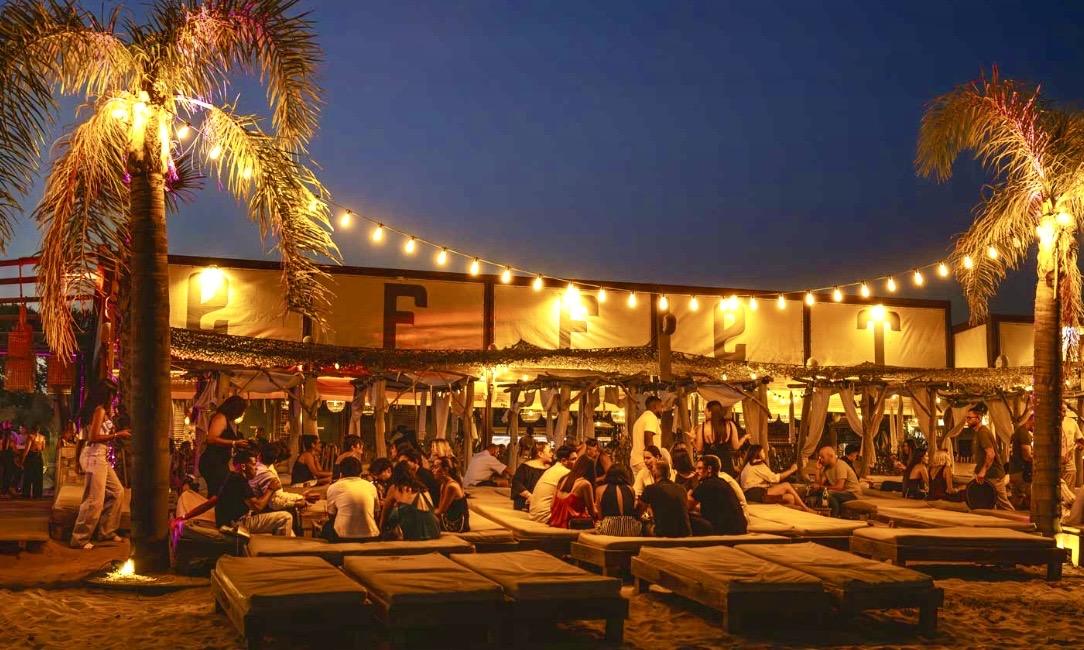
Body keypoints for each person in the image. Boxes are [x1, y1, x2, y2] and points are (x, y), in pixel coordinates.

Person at [174, 448, 295, 537]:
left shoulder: (230, 477)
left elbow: (211, 502)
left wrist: (184, 516)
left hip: (227, 523)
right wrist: (271, 489)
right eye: (253, 465)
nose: (256, 468)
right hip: (237, 524)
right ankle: (280, 551)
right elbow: (258, 506)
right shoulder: (240, 480)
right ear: (244, 466)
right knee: (285, 517)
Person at [71, 382, 130, 549]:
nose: (114, 398)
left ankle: (106, 531)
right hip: (94, 456)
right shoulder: (99, 411)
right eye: (112, 394)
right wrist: (117, 434)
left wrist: (77, 460)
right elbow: (93, 437)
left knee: (117, 492)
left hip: (99, 456)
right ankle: (79, 538)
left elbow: (82, 438)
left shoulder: (99, 411)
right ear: (106, 395)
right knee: (94, 500)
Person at [199, 395, 249, 497]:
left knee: (220, 492)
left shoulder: (228, 421)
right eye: (241, 411)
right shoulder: (220, 418)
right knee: (217, 493)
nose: (241, 414)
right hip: (213, 462)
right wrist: (234, 443)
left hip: (220, 462)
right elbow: (211, 439)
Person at [739, 445, 812, 511]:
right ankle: (806, 508)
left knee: (790, 498)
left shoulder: (750, 464)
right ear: (758, 453)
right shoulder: (757, 464)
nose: (765, 453)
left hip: (751, 494)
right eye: (763, 452)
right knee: (786, 485)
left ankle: (799, 509)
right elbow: (775, 478)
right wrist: (792, 470)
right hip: (756, 493)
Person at [322, 456, 379, 541]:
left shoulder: (333, 487)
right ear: (360, 473)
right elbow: (376, 512)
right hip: (371, 535)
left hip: (343, 537)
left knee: (327, 527)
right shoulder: (371, 487)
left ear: (341, 473)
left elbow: (331, 515)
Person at [967, 407, 1013, 510]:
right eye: (967, 418)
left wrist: (983, 471)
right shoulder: (978, 433)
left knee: (1003, 504)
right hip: (987, 475)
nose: (967, 420)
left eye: (970, 418)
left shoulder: (983, 432)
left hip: (994, 475)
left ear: (978, 418)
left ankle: (1015, 519)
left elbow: (991, 454)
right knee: (988, 503)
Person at [381, 461, 440, 541]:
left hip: (413, 533)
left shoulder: (395, 488)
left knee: (395, 512)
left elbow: (385, 512)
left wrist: (381, 530)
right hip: (433, 531)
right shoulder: (424, 488)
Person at [691, 455, 748, 534]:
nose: (696, 471)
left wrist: (692, 483)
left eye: (700, 468)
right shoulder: (722, 482)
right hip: (739, 528)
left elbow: (687, 505)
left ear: (709, 469)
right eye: (696, 468)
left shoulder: (707, 484)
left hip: (726, 532)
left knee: (689, 518)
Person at [693, 401, 749, 476]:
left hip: (709, 462)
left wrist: (692, 440)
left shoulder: (702, 427)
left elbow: (699, 449)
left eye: (705, 410)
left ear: (710, 412)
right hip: (725, 461)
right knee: (725, 480)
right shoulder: (730, 425)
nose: (704, 412)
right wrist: (744, 438)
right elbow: (736, 446)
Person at [639, 461, 691, 537]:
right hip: (685, 533)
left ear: (654, 474)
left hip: (664, 533)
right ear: (669, 474)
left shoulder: (650, 488)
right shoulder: (681, 488)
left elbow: (639, 511)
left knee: (643, 525)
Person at [528, 445, 577, 523]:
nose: (577, 462)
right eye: (573, 459)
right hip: (546, 516)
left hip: (534, 514)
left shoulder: (552, 469)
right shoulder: (566, 472)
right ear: (564, 460)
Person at [548, 456, 597, 529]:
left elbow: (552, 506)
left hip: (554, 522)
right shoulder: (585, 484)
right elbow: (592, 512)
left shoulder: (563, 479)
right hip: (572, 524)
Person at [814, 445, 862, 516]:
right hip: (841, 492)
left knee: (828, 494)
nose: (821, 460)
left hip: (852, 493)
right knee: (820, 493)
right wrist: (817, 469)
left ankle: (835, 516)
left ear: (831, 456)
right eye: (820, 457)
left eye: (823, 457)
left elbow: (839, 487)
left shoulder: (840, 465)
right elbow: (819, 484)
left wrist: (821, 487)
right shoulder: (826, 468)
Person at [594, 465, 641, 536]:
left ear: (608, 475)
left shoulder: (599, 490)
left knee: (597, 524)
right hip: (630, 529)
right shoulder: (631, 489)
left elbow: (600, 517)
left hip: (609, 529)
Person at [432, 456, 470, 532]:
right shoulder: (443, 484)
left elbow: (441, 511)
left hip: (456, 524)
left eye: (436, 467)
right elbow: (440, 508)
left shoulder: (451, 486)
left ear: (445, 470)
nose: (433, 470)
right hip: (449, 518)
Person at [631, 396, 666, 476]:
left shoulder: (640, 419)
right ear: (655, 406)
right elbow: (648, 439)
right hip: (645, 462)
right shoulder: (651, 417)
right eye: (661, 407)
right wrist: (654, 459)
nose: (662, 410)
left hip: (637, 461)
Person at [511, 442, 552, 510]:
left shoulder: (549, 469)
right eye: (549, 452)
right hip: (524, 505)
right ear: (540, 454)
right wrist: (529, 496)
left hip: (543, 505)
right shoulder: (525, 467)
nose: (552, 454)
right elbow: (517, 484)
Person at [1007, 413, 1034, 509]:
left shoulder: (1016, 433)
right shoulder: (1023, 433)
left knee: (1017, 499)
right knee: (1028, 499)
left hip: (1014, 470)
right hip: (1022, 473)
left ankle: (1015, 516)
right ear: (1032, 420)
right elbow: (1027, 456)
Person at [19, 426, 46, 499]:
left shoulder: (31, 437)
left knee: (28, 475)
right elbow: (43, 448)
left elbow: (27, 449)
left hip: (31, 457)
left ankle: (26, 493)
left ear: (32, 430)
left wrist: (22, 460)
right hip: (39, 457)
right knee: (38, 476)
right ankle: (37, 494)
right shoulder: (42, 437)